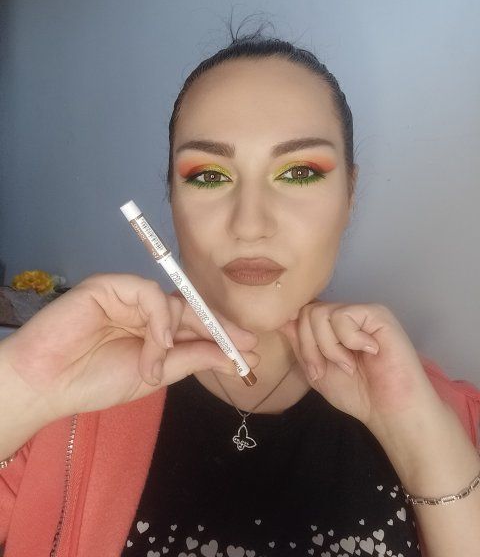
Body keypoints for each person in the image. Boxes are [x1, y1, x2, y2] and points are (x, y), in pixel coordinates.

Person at [1, 33, 479, 557]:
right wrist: (21, 387)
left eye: (299, 173)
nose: (250, 224)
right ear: (171, 198)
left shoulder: (444, 413)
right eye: (209, 175)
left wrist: (425, 444)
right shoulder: (61, 409)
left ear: (350, 194)